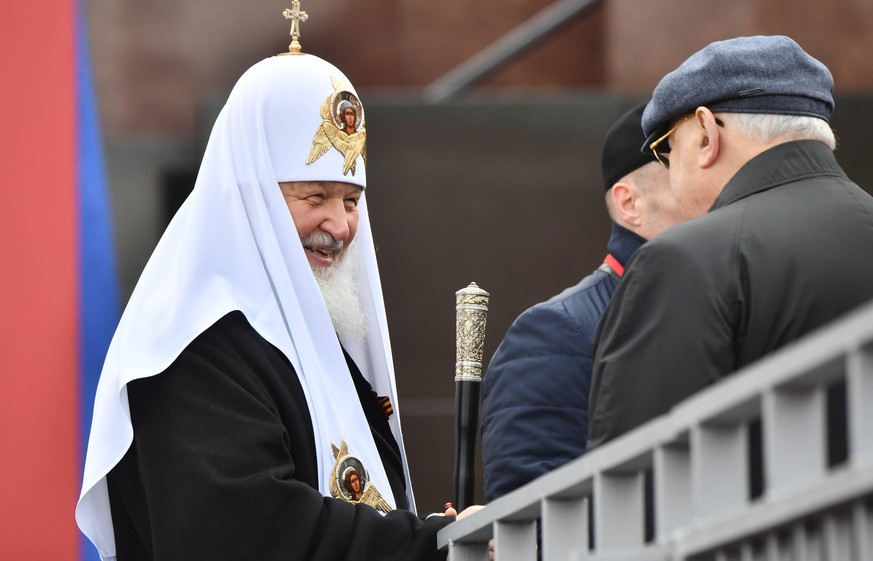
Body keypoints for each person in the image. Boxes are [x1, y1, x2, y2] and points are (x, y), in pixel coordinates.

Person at [75, 30, 478, 561]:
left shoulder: (322, 351)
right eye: (315, 196)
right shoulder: (190, 348)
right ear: (250, 199)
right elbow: (246, 533)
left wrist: (430, 534)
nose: (339, 226)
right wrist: (426, 547)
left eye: (352, 201)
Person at [588, 35, 873, 450]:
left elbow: (633, 480)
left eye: (668, 152)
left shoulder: (685, 259)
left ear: (705, 134)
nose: (672, 174)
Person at [480, 103, 685, 501]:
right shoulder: (554, 335)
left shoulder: (717, 300)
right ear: (629, 204)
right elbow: (533, 520)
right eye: (683, 173)